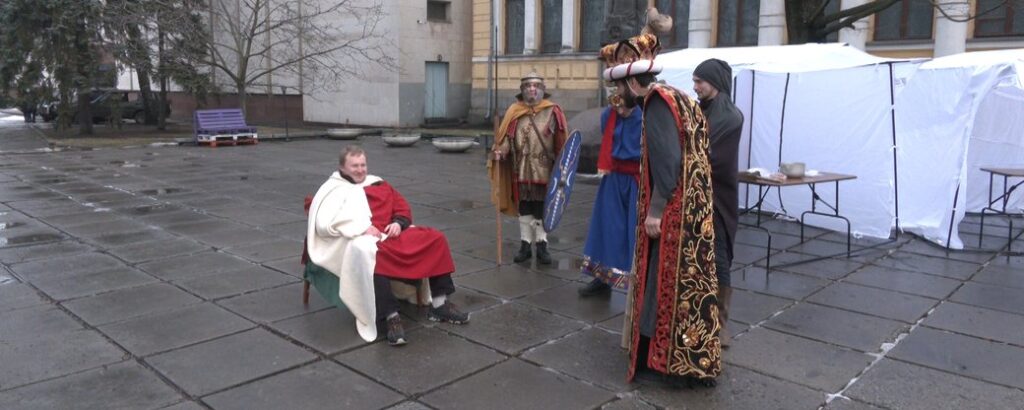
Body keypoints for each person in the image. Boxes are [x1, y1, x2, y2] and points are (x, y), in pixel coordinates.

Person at [603, 8, 721, 387]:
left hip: (673, 211)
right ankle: (689, 358)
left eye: (618, 87)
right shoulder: (679, 96)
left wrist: (655, 211)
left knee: (666, 284)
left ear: (631, 83)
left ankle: (669, 362)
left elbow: (669, 163)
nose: (617, 95)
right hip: (694, 211)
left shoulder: (655, 104)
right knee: (688, 285)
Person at [307, 146, 468, 347]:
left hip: (391, 233)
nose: (360, 170)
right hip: (359, 239)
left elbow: (401, 205)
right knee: (371, 255)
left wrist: (398, 223)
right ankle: (391, 317)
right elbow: (324, 223)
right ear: (342, 167)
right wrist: (362, 228)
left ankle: (439, 304)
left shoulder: (378, 183)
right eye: (354, 166)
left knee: (436, 239)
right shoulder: (333, 190)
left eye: (363, 165)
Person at [489, 72, 569, 265]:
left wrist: (564, 169)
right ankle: (525, 245)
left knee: (541, 208)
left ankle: (542, 245)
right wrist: (501, 152)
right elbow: (507, 140)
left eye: (536, 86)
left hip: (545, 170)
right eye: (528, 86)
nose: (532, 89)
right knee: (524, 206)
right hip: (521, 169)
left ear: (542, 90)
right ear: (522, 91)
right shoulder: (514, 112)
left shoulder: (553, 111)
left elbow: (561, 144)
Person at [693, 58, 744, 348]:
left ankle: (720, 323)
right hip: (697, 193)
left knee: (719, 255)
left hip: (718, 198)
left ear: (714, 82)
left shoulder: (729, 115)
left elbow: (708, 155)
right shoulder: (703, 109)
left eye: (700, 81)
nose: (695, 86)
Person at [577, 94, 642, 297]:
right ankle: (601, 278)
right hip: (613, 177)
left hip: (636, 180)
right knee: (605, 227)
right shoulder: (610, 115)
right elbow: (608, 134)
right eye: (617, 107)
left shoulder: (644, 116)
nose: (620, 112)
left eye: (623, 107)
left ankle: (639, 282)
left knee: (635, 230)